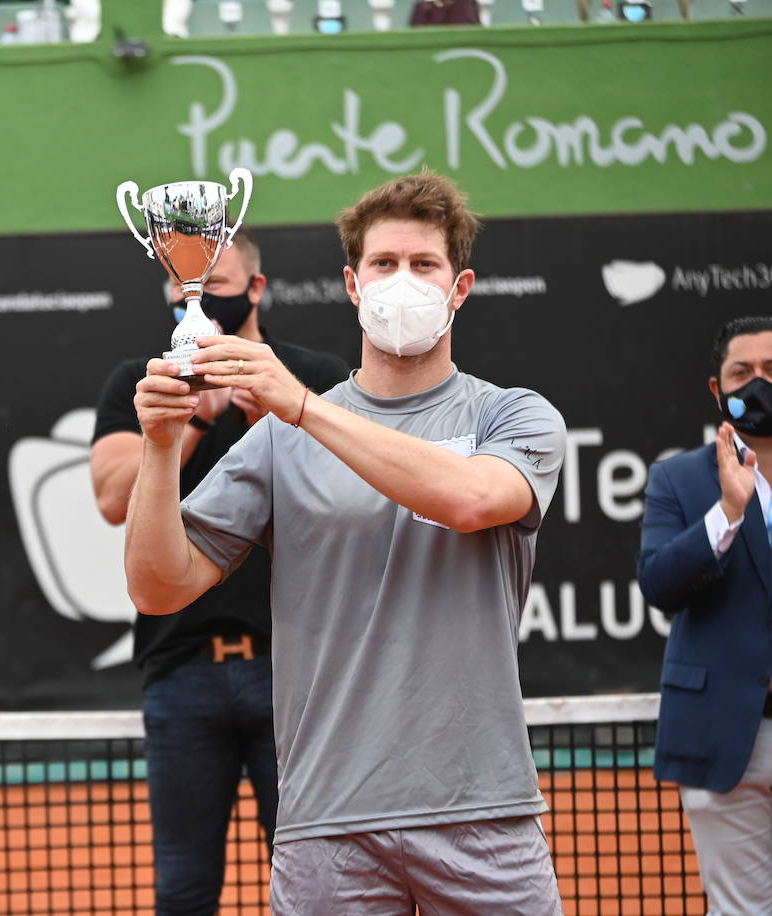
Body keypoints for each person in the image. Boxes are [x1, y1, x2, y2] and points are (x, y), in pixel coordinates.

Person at [122, 170, 568, 913]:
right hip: (326, 822)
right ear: (352, 286)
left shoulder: (514, 416)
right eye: (383, 264)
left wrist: (297, 406)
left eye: (423, 265)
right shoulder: (279, 444)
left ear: (459, 288)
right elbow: (157, 587)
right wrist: (161, 447)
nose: (402, 281)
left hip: (480, 811)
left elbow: (469, 498)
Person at [90, 226, 347, 915]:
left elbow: (360, 499)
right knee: (184, 887)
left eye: (217, 286)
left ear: (256, 290)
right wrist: (187, 424)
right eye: (181, 286)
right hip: (181, 673)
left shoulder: (315, 377)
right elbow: (113, 499)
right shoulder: (143, 384)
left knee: (313, 881)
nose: (195, 299)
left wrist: (289, 419)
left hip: (296, 671)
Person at [638, 316, 772, 914]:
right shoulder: (678, 477)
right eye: (742, 373)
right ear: (717, 390)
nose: (758, 384)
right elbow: (660, 583)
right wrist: (728, 510)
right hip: (725, 736)